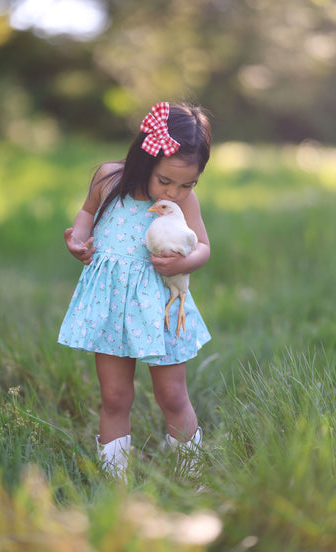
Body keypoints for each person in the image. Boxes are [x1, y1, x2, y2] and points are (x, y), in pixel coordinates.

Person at [58, 101, 212, 479]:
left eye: (187, 183)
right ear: (145, 158)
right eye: (166, 181)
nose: (175, 192)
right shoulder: (108, 179)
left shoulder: (183, 201)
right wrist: (78, 239)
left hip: (162, 306)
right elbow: (86, 214)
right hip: (113, 306)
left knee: (172, 395)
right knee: (114, 397)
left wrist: (183, 263)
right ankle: (114, 483)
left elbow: (204, 247)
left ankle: (190, 477)